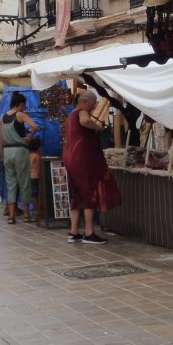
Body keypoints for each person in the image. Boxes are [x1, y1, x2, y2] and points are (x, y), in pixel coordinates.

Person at [63, 91, 111, 245]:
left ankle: (74, 232)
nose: (94, 105)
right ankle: (89, 233)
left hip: (71, 158)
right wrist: (97, 127)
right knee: (89, 193)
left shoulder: (71, 115)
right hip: (81, 158)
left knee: (77, 197)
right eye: (93, 102)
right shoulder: (81, 112)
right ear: (85, 101)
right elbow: (85, 121)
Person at [0, 93, 38, 225]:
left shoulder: (2, 118)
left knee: (11, 184)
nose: (25, 107)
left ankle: (11, 216)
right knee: (24, 182)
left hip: (7, 152)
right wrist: (30, 137)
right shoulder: (20, 115)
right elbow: (34, 126)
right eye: (24, 104)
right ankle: (26, 215)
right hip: (20, 151)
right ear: (20, 104)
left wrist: (2, 155)